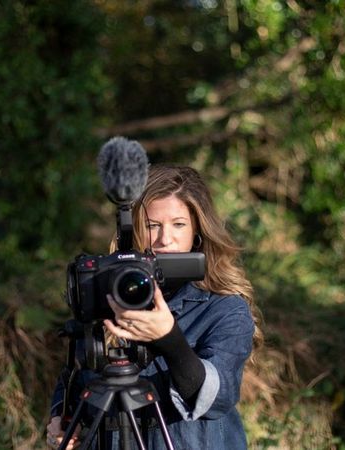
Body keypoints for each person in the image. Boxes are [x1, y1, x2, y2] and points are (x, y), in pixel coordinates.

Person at [46, 164, 262, 450]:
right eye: (152, 226)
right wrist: (60, 417)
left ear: (197, 230)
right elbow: (76, 373)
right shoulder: (109, 293)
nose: (165, 239)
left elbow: (218, 398)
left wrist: (169, 339)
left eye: (178, 224)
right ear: (133, 230)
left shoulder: (223, 308)